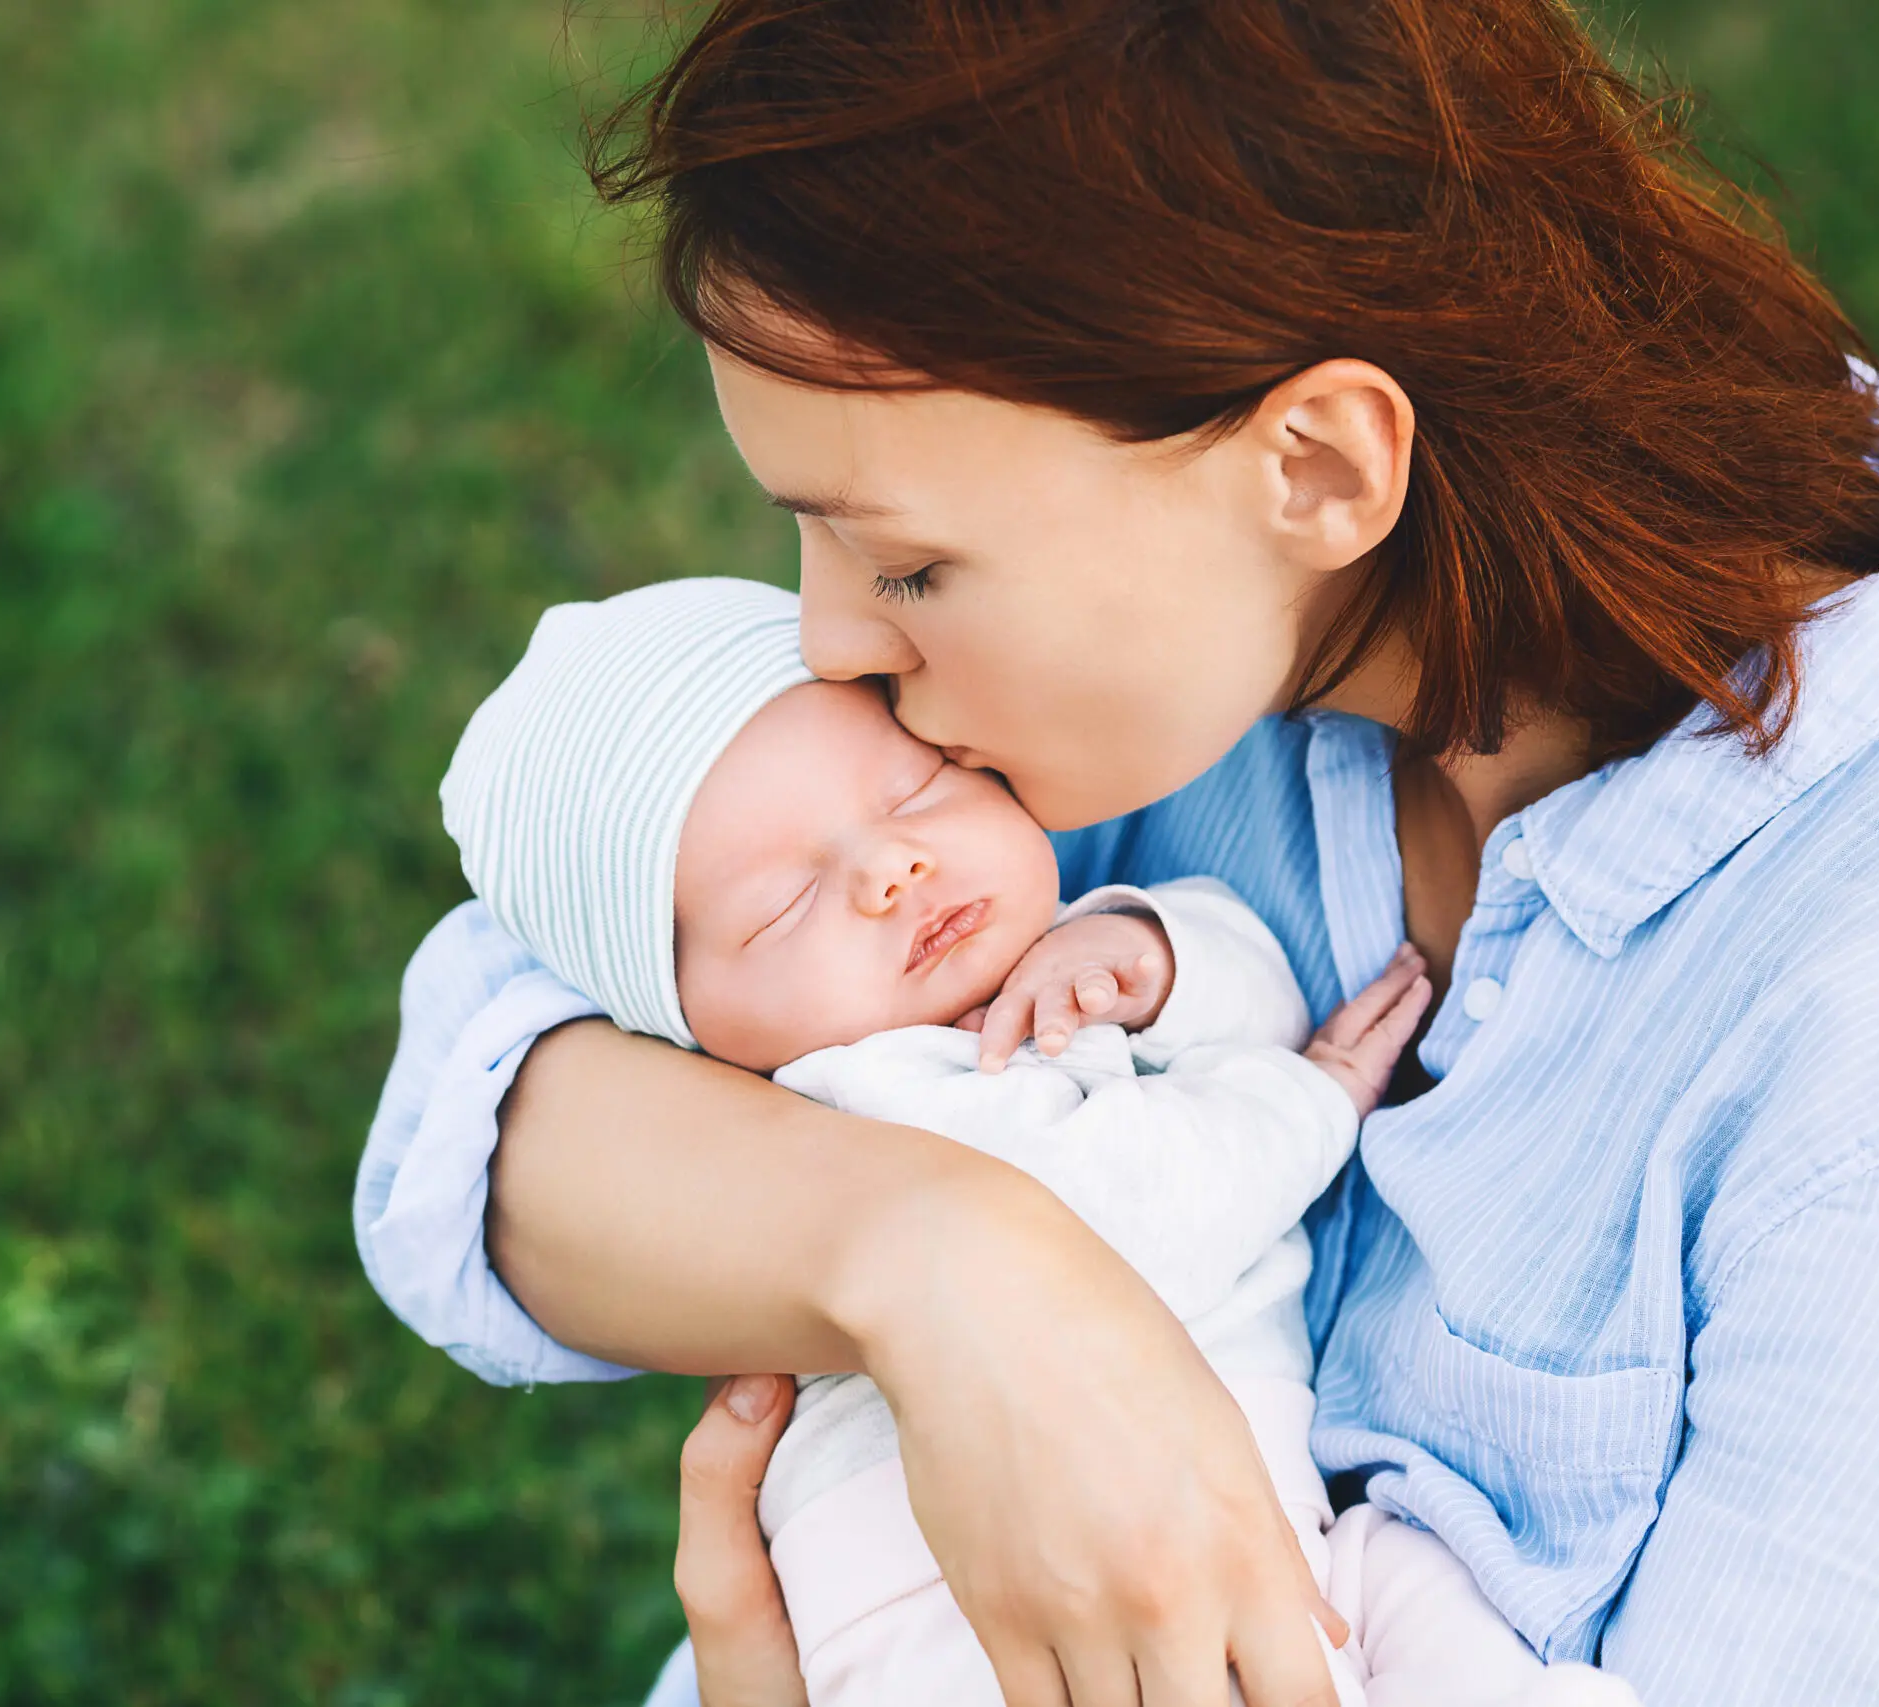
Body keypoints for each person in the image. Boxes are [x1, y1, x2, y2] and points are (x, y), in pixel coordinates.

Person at [354, 3, 1879, 1702]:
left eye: (907, 564)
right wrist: (948, 1268)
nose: (827, 650)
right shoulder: (1084, 722)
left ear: (1319, 468)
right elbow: (478, 1100)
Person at [435, 574, 1629, 1704]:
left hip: (1237, 1526)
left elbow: (1248, 987)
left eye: (912, 793)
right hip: (944, 1618)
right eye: (782, 906)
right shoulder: (870, 1091)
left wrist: (1150, 957)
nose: (888, 871)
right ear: (689, 1030)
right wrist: (1312, 1098)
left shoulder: (1041, 957)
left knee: (1410, 1599)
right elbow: (1137, 1217)